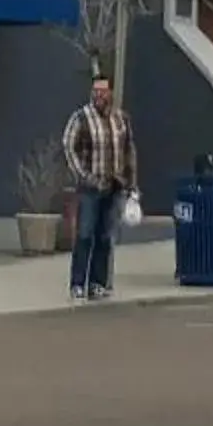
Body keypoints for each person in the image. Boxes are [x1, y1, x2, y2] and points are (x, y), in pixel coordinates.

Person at [62, 72, 137, 301]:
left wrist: (131, 184)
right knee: (85, 235)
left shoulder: (121, 119)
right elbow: (68, 144)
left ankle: (97, 283)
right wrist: (83, 176)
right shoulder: (81, 117)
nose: (99, 95)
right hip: (91, 188)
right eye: (95, 91)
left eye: (103, 91)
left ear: (110, 93)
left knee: (105, 237)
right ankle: (77, 284)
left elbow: (129, 151)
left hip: (114, 187)